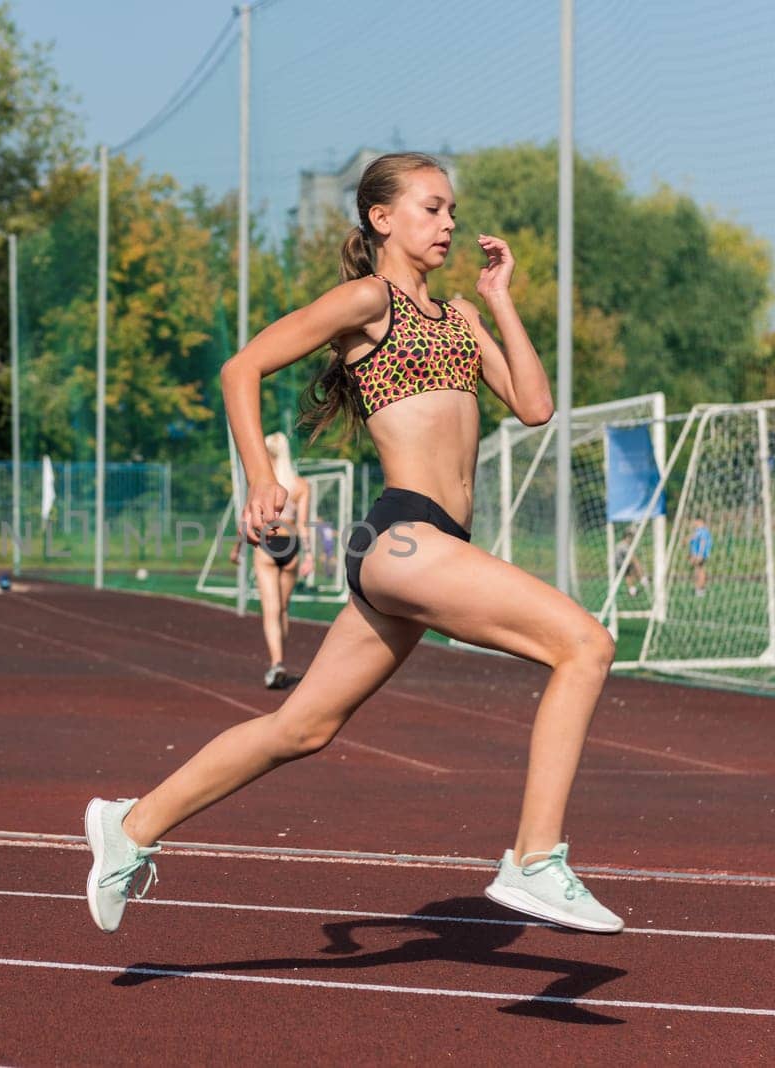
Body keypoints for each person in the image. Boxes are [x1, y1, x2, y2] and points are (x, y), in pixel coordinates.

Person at [82, 152, 624, 936]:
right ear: (382, 219)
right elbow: (243, 368)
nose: (448, 225)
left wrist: (498, 299)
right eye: (432, 209)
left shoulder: (460, 319)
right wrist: (260, 476)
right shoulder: (370, 300)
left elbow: (535, 406)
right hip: (404, 537)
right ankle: (535, 860)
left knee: (300, 728)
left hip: (421, 547)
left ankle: (129, 827)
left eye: (451, 213)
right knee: (584, 645)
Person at [227, 432, 311, 688]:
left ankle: (277, 663)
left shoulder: (260, 486)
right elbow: (303, 525)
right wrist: (309, 556)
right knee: (283, 610)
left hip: (266, 543)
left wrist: (238, 547)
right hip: (292, 544)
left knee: (271, 610)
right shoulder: (299, 485)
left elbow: (249, 519)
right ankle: (279, 661)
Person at [612, 533, 646, 598]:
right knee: (635, 562)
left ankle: (632, 591)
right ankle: (643, 579)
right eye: (630, 538)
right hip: (620, 562)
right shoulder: (623, 545)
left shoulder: (621, 544)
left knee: (628, 574)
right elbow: (631, 556)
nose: (631, 540)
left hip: (618, 563)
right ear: (627, 538)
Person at [688, 518, 712, 597]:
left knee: (700, 571)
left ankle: (700, 590)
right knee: (698, 570)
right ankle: (699, 589)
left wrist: (700, 554)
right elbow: (693, 539)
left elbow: (703, 542)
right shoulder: (698, 531)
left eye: (695, 521)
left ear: (700, 521)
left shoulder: (703, 531)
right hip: (696, 554)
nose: (693, 523)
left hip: (700, 555)